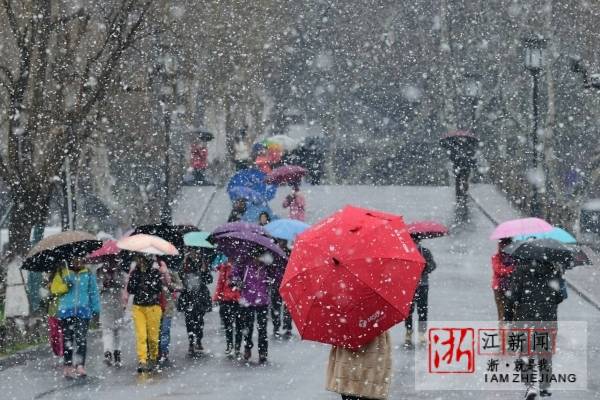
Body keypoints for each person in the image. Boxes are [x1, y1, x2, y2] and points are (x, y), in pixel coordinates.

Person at [510, 260, 566, 399]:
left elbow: (513, 296)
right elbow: (561, 296)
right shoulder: (555, 270)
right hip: (547, 317)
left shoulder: (520, 270)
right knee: (545, 352)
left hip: (525, 317)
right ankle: (545, 386)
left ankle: (530, 386)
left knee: (526, 352)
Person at [51, 259, 101, 379]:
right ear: (71, 260)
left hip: (83, 311)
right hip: (66, 311)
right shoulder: (63, 273)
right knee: (67, 339)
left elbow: (93, 292)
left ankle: (80, 365)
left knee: (81, 339)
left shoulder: (88, 274)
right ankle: (68, 366)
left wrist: (96, 308)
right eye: (74, 259)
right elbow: (54, 289)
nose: (77, 262)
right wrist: (65, 286)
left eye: (80, 259)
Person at [231, 252, 282, 364]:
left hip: (262, 302)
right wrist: (237, 281)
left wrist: (272, 278)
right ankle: (248, 347)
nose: (257, 259)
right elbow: (234, 274)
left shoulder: (267, 267)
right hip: (247, 301)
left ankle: (263, 352)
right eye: (256, 256)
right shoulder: (245, 264)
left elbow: (277, 277)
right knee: (248, 328)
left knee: (262, 329)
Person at [126, 254, 166, 373]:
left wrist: (148, 282)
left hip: (153, 307)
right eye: (138, 259)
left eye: (142, 259)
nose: (140, 262)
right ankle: (142, 360)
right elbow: (130, 290)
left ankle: (153, 358)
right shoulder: (135, 273)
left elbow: (158, 289)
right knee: (141, 336)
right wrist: (137, 279)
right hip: (138, 308)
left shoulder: (155, 272)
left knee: (153, 338)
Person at [326, 331, 392, 400]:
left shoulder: (344, 327)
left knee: (350, 394)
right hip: (370, 373)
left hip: (348, 372)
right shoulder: (378, 324)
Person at [178, 250, 213, 357]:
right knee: (189, 321)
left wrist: (205, 270)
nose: (194, 254)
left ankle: (198, 340)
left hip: (201, 296)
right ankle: (191, 342)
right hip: (188, 296)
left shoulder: (202, 263)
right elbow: (180, 277)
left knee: (199, 320)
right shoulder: (185, 264)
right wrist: (184, 265)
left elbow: (209, 280)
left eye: (195, 252)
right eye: (192, 251)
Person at [404, 237, 437, 348]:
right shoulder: (405, 252)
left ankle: (422, 333)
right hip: (409, 285)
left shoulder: (425, 252)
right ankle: (409, 330)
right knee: (408, 310)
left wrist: (424, 267)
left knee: (422, 309)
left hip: (423, 285)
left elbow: (433, 266)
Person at [97, 259, 126, 367]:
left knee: (117, 330)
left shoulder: (119, 271)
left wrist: (114, 280)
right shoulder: (99, 271)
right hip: (105, 304)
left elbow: (123, 284)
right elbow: (97, 288)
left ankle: (117, 353)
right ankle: (107, 353)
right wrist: (103, 284)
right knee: (107, 330)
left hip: (117, 304)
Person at [213, 259, 243, 358]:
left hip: (239, 300)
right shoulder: (224, 267)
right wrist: (217, 297)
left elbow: (246, 283)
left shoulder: (242, 266)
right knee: (228, 324)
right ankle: (229, 345)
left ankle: (237, 346)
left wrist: (240, 285)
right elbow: (220, 283)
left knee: (239, 325)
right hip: (226, 299)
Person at [158, 262, 182, 368]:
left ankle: (164, 351)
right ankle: (156, 350)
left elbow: (180, 286)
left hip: (168, 306)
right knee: (155, 330)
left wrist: (168, 283)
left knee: (165, 330)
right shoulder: (152, 270)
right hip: (154, 304)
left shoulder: (171, 272)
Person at [270, 239, 293, 339]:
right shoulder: (273, 253)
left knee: (287, 307)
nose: (281, 243)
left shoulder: (289, 253)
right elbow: (269, 268)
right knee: (276, 306)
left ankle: (287, 326)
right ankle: (277, 326)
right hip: (277, 283)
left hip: (286, 283)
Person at [491, 238, 515, 323]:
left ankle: (508, 331)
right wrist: (511, 269)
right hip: (500, 288)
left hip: (512, 287)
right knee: (502, 312)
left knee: (512, 312)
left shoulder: (515, 256)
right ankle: (503, 331)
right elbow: (499, 270)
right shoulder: (497, 257)